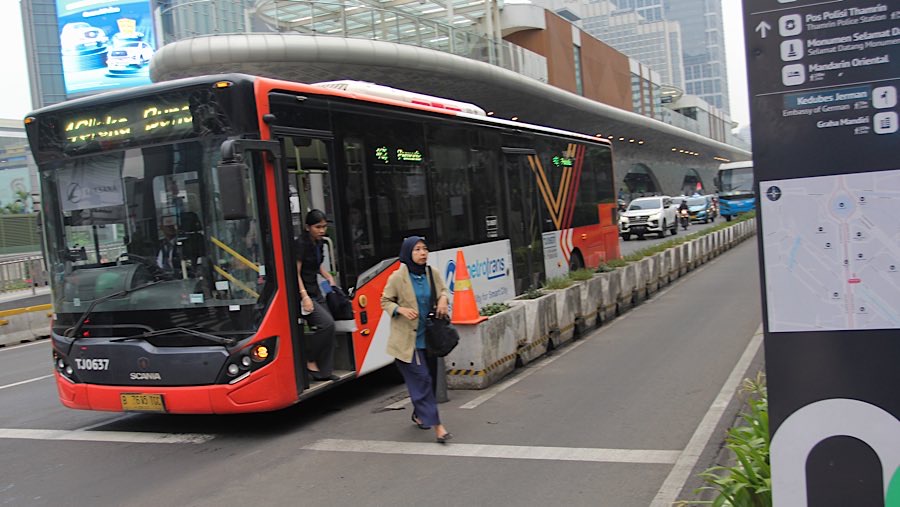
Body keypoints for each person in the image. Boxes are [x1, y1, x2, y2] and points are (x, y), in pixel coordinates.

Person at [381, 236, 453, 444]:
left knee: (427, 381)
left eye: (425, 249)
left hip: (430, 338)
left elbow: (443, 289)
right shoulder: (397, 277)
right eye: (417, 250)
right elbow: (385, 300)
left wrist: (443, 299)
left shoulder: (432, 273)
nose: (423, 253)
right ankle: (438, 426)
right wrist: (400, 309)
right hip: (407, 342)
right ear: (407, 253)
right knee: (423, 380)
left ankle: (419, 413)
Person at [296, 209, 338, 381]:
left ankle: (325, 371)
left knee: (331, 326)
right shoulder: (300, 244)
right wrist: (304, 296)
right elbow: (296, 272)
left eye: (324, 227)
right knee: (326, 324)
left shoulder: (319, 243)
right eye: (317, 227)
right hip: (303, 292)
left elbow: (316, 265)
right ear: (307, 227)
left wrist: (328, 276)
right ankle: (309, 359)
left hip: (315, 289)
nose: (321, 230)